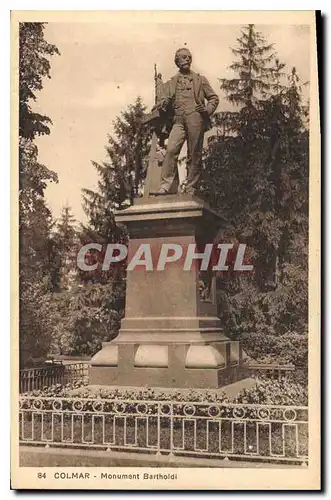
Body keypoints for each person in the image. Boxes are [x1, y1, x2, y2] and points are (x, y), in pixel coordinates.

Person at [153, 48, 219, 195]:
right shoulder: (171, 82)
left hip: (195, 118)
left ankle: (191, 187)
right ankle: (165, 185)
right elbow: (163, 99)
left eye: (189, 57)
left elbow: (214, 98)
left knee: (194, 153)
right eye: (183, 57)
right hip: (178, 120)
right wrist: (162, 103)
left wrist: (206, 111)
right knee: (170, 150)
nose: (187, 59)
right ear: (177, 61)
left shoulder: (200, 80)